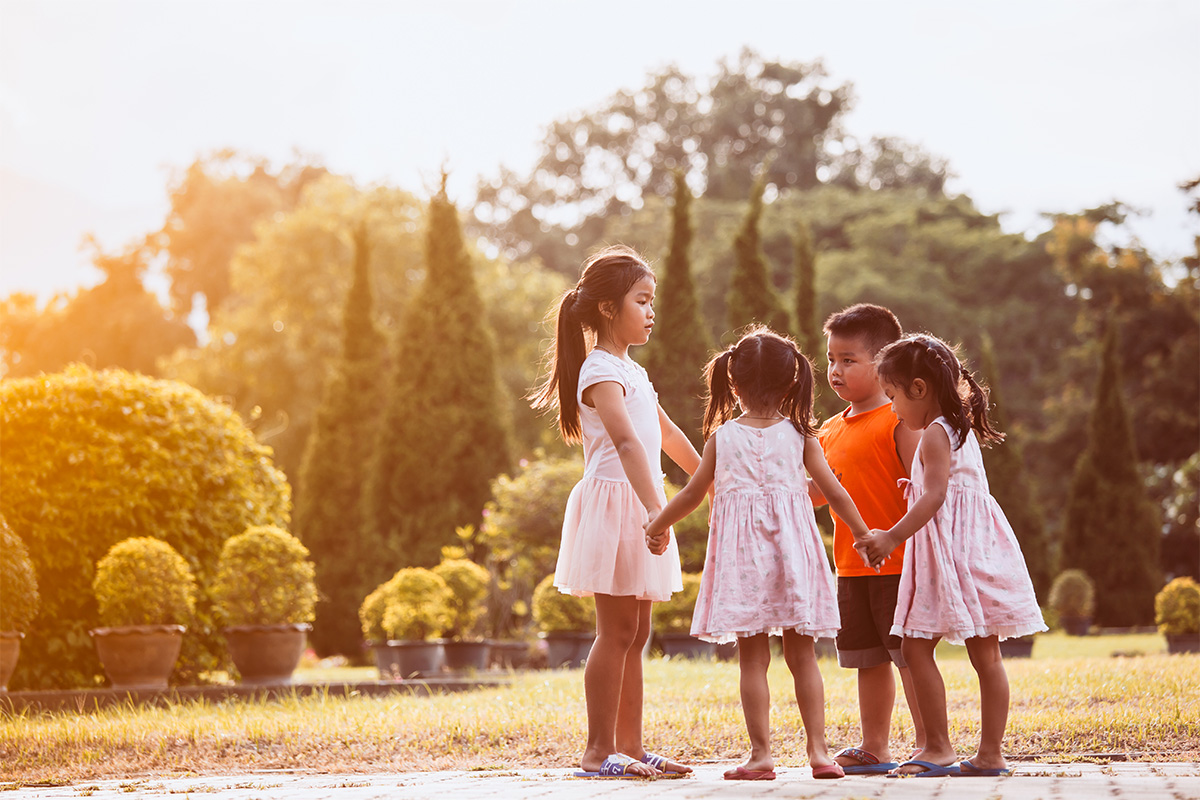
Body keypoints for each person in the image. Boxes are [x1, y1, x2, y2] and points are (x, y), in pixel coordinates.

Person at [645, 326, 867, 782]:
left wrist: (658, 524)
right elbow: (836, 494)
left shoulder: (722, 439)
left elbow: (691, 493)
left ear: (732, 382)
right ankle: (820, 753)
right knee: (802, 656)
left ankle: (761, 755)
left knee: (752, 659)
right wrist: (865, 534)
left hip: (743, 561)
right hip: (795, 556)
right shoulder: (802, 436)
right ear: (792, 382)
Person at [530, 245, 701, 779]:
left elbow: (667, 434)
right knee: (616, 629)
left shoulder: (632, 369)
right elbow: (627, 445)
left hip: (644, 504)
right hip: (617, 503)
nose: (651, 312)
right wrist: (660, 511)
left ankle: (631, 744)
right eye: (641, 300)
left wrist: (710, 482)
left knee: (638, 629)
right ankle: (597, 752)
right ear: (608, 308)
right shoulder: (598, 371)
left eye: (652, 301)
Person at [856, 334, 1047, 778]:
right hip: (977, 550)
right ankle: (990, 755)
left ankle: (938, 746)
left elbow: (937, 496)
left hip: (950, 555)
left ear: (919, 389)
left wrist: (891, 537)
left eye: (893, 396)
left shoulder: (935, 434)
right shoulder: (958, 430)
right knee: (987, 656)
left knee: (916, 645)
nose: (893, 408)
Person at [815, 304, 926, 774]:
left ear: (883, 364)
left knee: (909, 657)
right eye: (831, 360)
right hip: (851, 564)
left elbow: (925, 488)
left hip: (899, 561)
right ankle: (875, 746)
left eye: (849, 360)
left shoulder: (900, 423)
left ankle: (930, 744)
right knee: (868, 660)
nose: (836, 371)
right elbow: (816, 495)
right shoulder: (829, 429)